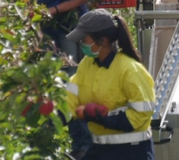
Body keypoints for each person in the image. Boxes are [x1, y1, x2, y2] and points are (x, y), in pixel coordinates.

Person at [65, 9, 155, 160]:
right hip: (101, 150)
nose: (81, 43)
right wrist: (56, 113)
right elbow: (73, 93)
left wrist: (100, 119)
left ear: (103, 40)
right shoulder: (87, 65)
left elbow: (140, 115)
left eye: (84, 39)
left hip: (132, 152)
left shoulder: (130, 70)